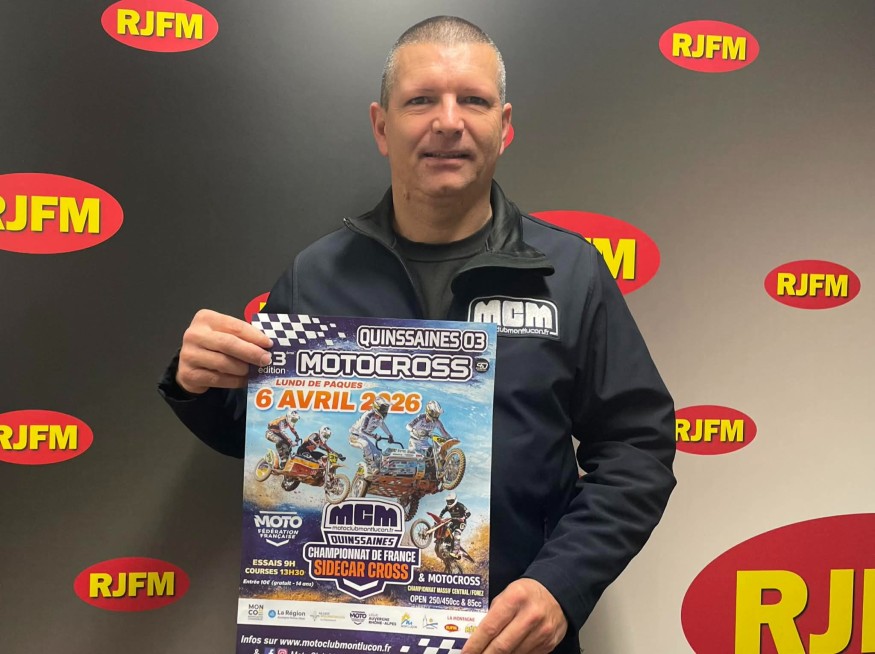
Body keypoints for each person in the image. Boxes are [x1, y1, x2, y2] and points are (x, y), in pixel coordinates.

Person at [159, 16, 675, 654]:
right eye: (421, 100)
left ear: (505, 126)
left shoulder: (568, 274)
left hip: (504, 639)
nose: (448, 121)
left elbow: (636, 448)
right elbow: (261, 434)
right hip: (343, 632)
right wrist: (199, 383)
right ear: (382, 126)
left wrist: (561, 585)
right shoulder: (316, 275)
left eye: (473, 101)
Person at [347, 396, 397, 475]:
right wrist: (375, 436)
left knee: (378, 453)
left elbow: (382, 425)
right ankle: (372, 466)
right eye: (384, 408)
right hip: (354, 436)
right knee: (365, 445)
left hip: (363, 437)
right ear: (377, 407)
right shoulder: (368, 415)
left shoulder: (379, 418)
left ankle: (380, 470)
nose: (385, 411)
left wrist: (390, 435)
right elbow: (362, 430)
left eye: (386, 409)